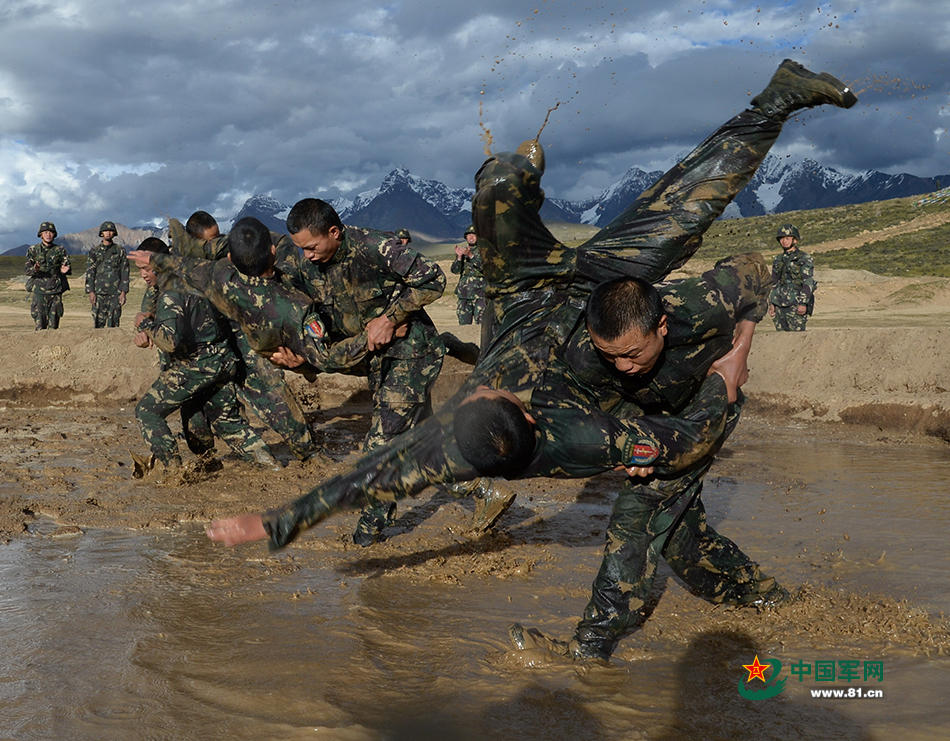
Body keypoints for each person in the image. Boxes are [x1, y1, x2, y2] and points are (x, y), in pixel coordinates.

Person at [206, 59, 857, 659]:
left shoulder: (450, 438)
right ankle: (734, 614)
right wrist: (730, 371)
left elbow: (361, 478)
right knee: (660, 515)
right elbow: (686, 439)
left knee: (499, 191)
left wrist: (274, 519)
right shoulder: (585, 434)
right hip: (598, 313)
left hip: (534, 288)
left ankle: (525, 172)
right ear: (525, 418)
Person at [274, 199, 447, 545]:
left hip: (412, 353)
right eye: (301, 249)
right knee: (422, 442)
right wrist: (302, 357)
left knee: (379, 447)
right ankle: (484, 492)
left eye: (311, 246)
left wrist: (391, 317)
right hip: (377, 361)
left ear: (334, 232)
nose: (307, 255)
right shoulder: (306, 264)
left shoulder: (375, 248)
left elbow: (433, 279)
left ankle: (367, 536)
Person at [131, 237, 279, 478]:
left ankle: (172, 471)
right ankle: (269, 465)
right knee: (225, 421)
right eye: (140, 270)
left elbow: (169, 341)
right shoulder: (193, 277)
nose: (144, 276)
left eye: (147, 268)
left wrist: (145, 323)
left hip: (195, 365)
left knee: (147, 411)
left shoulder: (171, 294)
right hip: (222, 360)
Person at [768, 223, 816, 331]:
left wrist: (803, 303)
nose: (784, 241)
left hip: (795, 305)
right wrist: (771, 303)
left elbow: (808, 282)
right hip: (779, 304)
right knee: (781, 340)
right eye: (781, 239)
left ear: (795, 240)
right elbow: (773, 283)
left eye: (787, 238)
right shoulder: (778, 259)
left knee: (796, 339)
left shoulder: (803, 258)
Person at [25, 221, 71, 330]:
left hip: (55, 292)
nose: (48, 234)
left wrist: (65, 270)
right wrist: (34, 269)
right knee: (40, 325)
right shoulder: (33, 250)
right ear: (40, 234)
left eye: (51, 232)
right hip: (39, 292)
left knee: (53, 326)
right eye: (45, 232)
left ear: (54, 234)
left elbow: (67, 266)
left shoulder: (60, 250)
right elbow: (27, 270)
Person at [85, 221, 129, 328]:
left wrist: (123, 292)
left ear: (114, 233)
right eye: (105, 231)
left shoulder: (120, 251)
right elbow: (90, 273)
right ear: (101, 233)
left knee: (114, 326)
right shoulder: (94, 251)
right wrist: (91, 292)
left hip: (115, 294)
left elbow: (125, 272)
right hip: (99, 293)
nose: (108, 233)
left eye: (111, 231)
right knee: (98, 326)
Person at [451, 225, 486, 326]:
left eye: (474, 235)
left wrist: (471, 256)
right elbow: (455, 270)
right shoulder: (462, 252)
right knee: (463, 325)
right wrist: (458, 257)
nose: (471, 237)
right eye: (469, 235)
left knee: (481, 325)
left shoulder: (484, 251)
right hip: (464, 294)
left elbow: (486, 269)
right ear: (466, 238)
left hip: (480, 294)